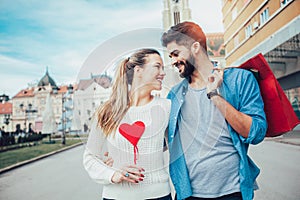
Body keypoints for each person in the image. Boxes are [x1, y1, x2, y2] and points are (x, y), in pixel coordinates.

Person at [161, 21, 267, 200]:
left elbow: (255, 132)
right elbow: (161, 139)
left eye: (176, 54)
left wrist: (215, 95)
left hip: (232, 191)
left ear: (195, 47)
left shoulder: (240, 80)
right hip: (188, 193)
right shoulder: (175, 95)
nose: (172, 61)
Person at [83, 48, 172, 200]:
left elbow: (172, 144)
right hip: (116, 196)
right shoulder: (107, 111)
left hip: (159, 195)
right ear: (139, 70)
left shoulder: (167, 106)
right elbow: (90, 157)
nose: (163, 73)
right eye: (157, 66)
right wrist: (113, 173)